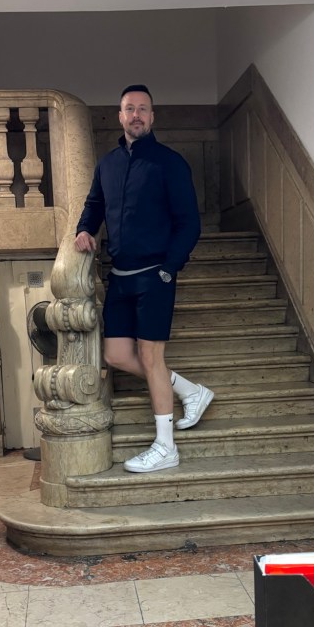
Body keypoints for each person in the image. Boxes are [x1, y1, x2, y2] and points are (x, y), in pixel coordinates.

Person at [74, 84, 214, 473]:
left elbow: (189, 223)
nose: (136, 114)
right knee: (116, 355)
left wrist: (170, 267)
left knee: (151, 357)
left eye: (143, 109)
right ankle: (190, 390)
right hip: (119, 276)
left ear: (152, 117)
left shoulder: (170, 163)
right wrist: (84, 229)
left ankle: (166, 447)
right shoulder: (107, 165)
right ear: (120, 116)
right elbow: (94, 204)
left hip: (155, 275)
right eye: (129, 108)